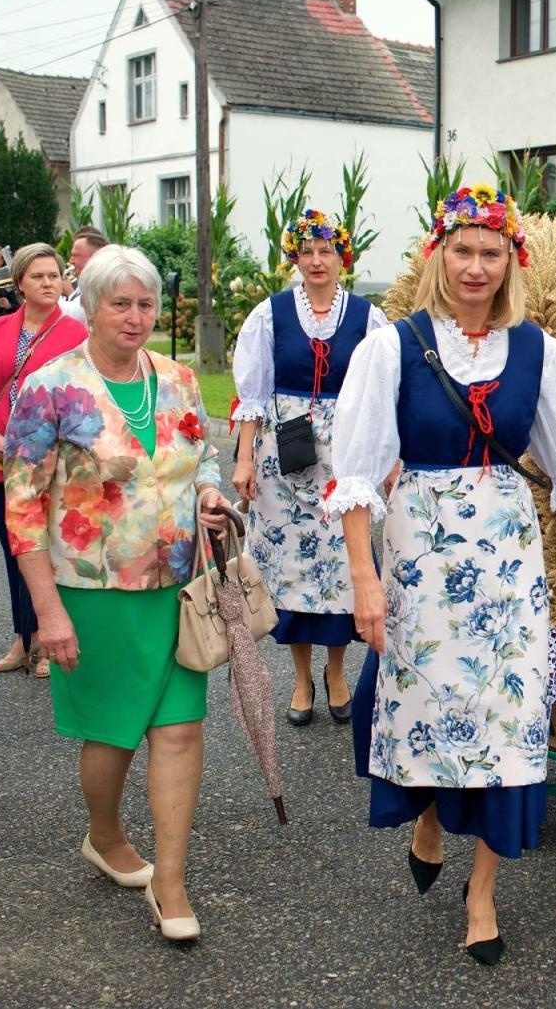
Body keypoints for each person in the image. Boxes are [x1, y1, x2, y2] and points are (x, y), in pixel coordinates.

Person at [329, 184, 556, 966]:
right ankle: (432, 815)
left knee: (506, 718)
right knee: (430, 703)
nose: (476, 266)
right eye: (463, 250)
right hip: (421, 554)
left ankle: (482, 892)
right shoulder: (393, 346)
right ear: (438, 254)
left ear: (513, 260)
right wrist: (364, 581)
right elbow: (357, 475)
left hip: (509, 555)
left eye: (491, 251)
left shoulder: (537, 351)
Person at [6, 244, 228, 942]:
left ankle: (170, 881)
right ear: (91, 305)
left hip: (178, 585)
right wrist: (46, 611)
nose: (135, 317)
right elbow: (21, 507)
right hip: (92, 591)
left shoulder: (181, 378)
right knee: (110, 733)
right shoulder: (50, 388)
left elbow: (201, 455)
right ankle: (103, 834)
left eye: (146, 303)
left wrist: (213, 491)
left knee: (180, 726)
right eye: (120, 303)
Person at [233, 209, 385, 727]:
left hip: (345, 454)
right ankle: (301, 676)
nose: (316, 260)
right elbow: (252, 393)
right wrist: (243, 460)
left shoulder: (368, 318)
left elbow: (382, 394)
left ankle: (336, 671)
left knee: (345, 563)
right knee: (291, 571)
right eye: (307, 251)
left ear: (343, 258)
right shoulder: (268, 315)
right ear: (294, 258)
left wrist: (389, 459)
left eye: (326, 251)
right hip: (284, 454)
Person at [0, 242, 88, 677]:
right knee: (15, 550)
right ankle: (23, 638)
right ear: (19, 284)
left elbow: (82, 401)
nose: (49, 283)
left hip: (53, 465)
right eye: (38, 276)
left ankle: (52, 637)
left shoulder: (75, 335)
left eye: (55, 275)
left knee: (48, 548)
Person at [58, 226, 108, 324]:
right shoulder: (86, 281)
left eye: (75, 256)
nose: (70, 261)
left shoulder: (100, 283)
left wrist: (51, 292)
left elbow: (73, 316)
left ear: (94, 257)